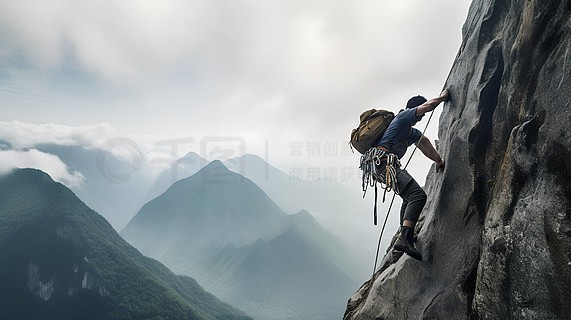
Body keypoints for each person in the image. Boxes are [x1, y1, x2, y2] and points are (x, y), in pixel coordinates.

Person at [374, 89, 449, 260]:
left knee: (408, 197)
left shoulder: (411, 132)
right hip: (383, 163)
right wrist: (443, 97)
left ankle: (399, 247)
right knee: (417, 195)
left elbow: (424, 144)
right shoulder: (403, 117)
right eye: (419, 114)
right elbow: (428, 106)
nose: (420, 118)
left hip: (381, 165)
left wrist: (438, 161)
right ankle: (405, 238)